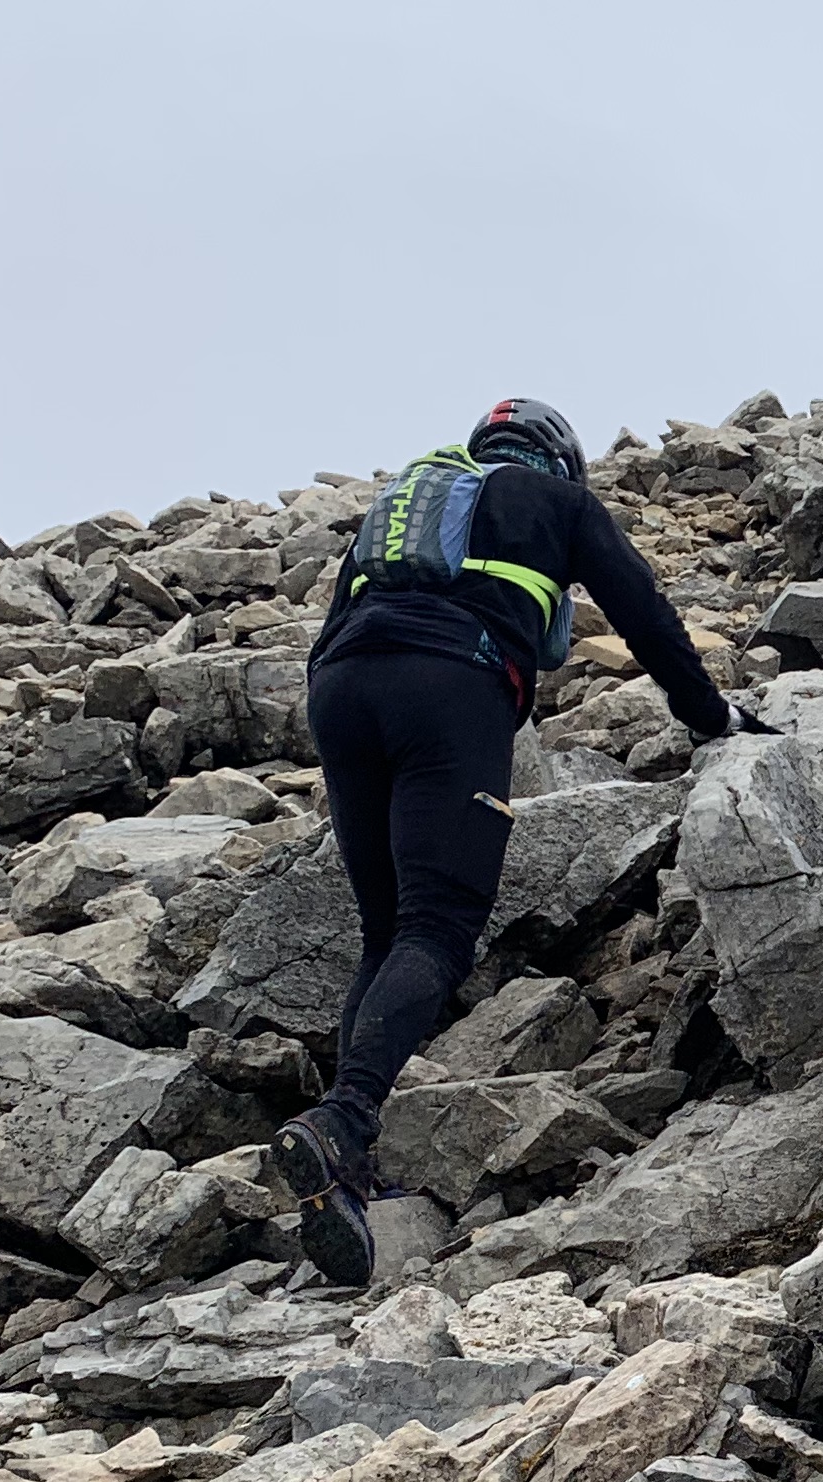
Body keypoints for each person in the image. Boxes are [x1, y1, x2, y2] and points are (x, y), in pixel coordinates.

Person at [272, 397, 733, 1286]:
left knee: (387, 932)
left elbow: (333, 617)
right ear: (561, 459)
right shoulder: (554, 502)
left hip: (341, 690)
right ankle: (342, 1119)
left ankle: (347, 1170)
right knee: (439, 928)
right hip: (451, 683)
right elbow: (642, 613)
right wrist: (710, 717)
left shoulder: (408, 498)